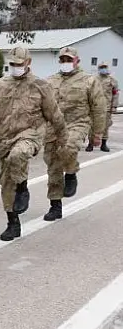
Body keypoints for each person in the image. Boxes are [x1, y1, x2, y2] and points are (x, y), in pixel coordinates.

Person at [0, 47, 66, 241]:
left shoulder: (40, 86)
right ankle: (13, 223)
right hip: (4, 138)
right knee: (6, 183)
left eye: (19, 64)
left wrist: (62, 136)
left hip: (30, 134)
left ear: (28, 63)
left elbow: (54, 113)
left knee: (18, 155)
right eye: (13, 64)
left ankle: (23, 186)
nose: (16, 67)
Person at [42, 47, 107, 221]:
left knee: (69, 147)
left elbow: (99, 108)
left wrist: (98, 133)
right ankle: (55, 206)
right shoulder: (50, 81)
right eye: (62, 60)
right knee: (53, 167)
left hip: (77, 123)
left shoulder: (89, 81)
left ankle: (71, 172)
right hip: (54, 127)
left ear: (77, 61)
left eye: (69, 60)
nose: (66, 63)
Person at [86, 61, 119, 152]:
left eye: (105, 67)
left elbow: (115, 94)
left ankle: (103, 144)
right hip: (94, 107)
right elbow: (88, 93)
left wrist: (114, 107)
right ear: (99, 69)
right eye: (101, 67)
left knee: (105, 126)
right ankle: (90, 144)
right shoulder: (93, 79)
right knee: (92, 126)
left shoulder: (112, 80)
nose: (103, 69)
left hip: (107, 107)